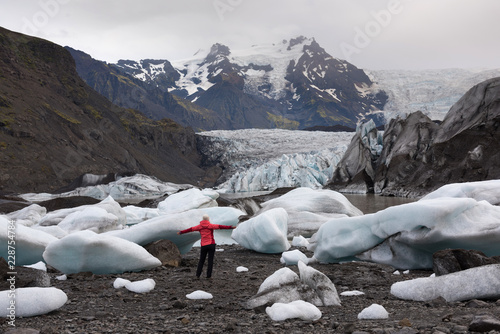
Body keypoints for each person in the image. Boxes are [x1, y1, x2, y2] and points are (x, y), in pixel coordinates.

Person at [177, 214, 236, 278]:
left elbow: (190, 229)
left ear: (203, 219)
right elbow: (220, 227)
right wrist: (230, 227)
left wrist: (181, 232)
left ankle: (198, 275)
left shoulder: (199, 226)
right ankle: (208, 276)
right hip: (211, 244)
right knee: (210, 261)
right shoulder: (211, 225)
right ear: (208, 219)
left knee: (201, 260)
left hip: (204, 245)